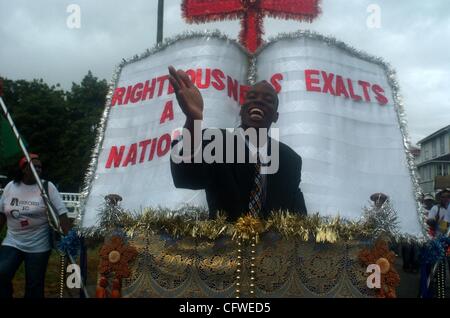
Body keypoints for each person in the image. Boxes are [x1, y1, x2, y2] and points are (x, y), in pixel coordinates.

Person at [168, 66, 307, 221]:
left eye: (268, 100)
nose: (259, 101)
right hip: (225, 243)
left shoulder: (290, 160)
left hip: (271, 244)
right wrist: (193, 119)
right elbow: (184, 175)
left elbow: (299, 218)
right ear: (241, 110)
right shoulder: (217, 141)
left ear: (275, 116)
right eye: (252, 97)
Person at [0, 154, 71, 298]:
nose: (38, 169)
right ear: (24, 169)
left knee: (34, 285)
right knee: (2, 273)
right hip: (13, 240)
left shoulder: (47, 187)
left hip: (38, 245)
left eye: (40, 167)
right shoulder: (11, 186)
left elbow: (62, 214)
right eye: (34, 166)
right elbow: (2, 214)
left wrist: (69, 239)